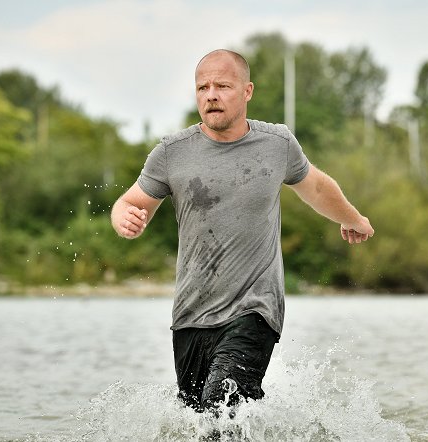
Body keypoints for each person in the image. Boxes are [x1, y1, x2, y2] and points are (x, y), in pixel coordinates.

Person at [111, 49, 374, 413]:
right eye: (202, 87)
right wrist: (124, 218)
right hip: (191, 314)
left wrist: (352, 218)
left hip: (255, 308)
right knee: (199, 421)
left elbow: (315, 187)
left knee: (220, 408)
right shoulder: (171, 153)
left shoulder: (276, 144)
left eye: (222, 85)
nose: (211, 94)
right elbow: (129, 202)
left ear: (247, 91)